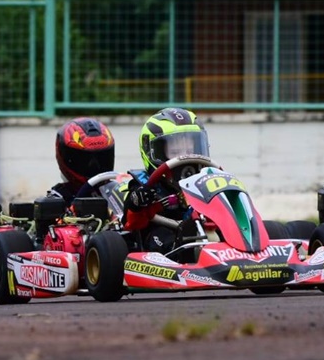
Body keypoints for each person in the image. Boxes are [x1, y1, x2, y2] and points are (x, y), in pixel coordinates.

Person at [120, 107, 210, 254]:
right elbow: (130, 223)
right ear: (154, 152)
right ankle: (184, 253)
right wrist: (137, 201)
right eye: (175, 152)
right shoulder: (145, 183)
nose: (186, 157)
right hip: (159, 234)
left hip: (199, 226)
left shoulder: (204, 177)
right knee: (162, 237)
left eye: (190, 150)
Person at [48, 117, 116, 206]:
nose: (94, 166)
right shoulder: (58, 198)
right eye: (85, 159)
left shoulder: (115, 191)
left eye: (102, 158)